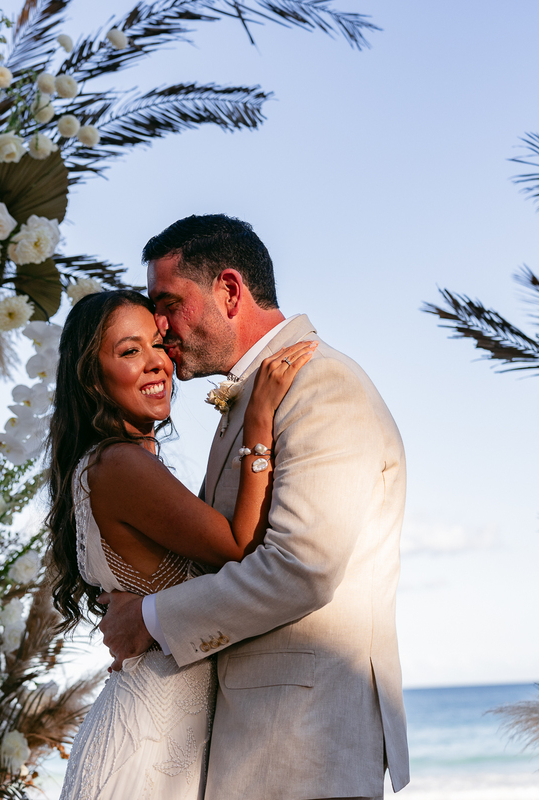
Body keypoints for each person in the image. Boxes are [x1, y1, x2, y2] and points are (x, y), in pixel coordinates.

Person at [97, 214, 410, 800]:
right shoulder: (253, 397)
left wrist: (150, 617)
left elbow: (301, 568)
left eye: (168, 303)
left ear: (230, 291)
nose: (159, 326)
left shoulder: (321, 385)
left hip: (302, 746)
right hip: (253, 744)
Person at [48, 288, 317, 799]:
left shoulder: (109, 463)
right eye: (130, 351)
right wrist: (258, 421)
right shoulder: (119, 464)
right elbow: (239, 546)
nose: (156, 362)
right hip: (147, 750)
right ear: (93, 377)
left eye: (158, 344)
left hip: (159, 735)